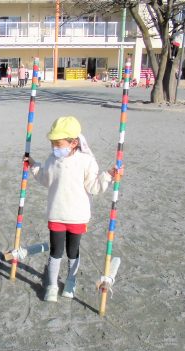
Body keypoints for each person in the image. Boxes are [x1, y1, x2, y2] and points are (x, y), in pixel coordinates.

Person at [27, 116, 116, 302]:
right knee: (55, 251)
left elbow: (94, 187)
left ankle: (70, 281)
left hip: (77, 216)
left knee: (72, 251)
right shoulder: (52, 160)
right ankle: (52, 285)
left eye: (58, 143)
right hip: (56, 214)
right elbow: (45, 178)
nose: (54, 147)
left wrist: (108, 175)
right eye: (53, 144)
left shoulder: (87, 161)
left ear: (74, 142)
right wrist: (33, 165)